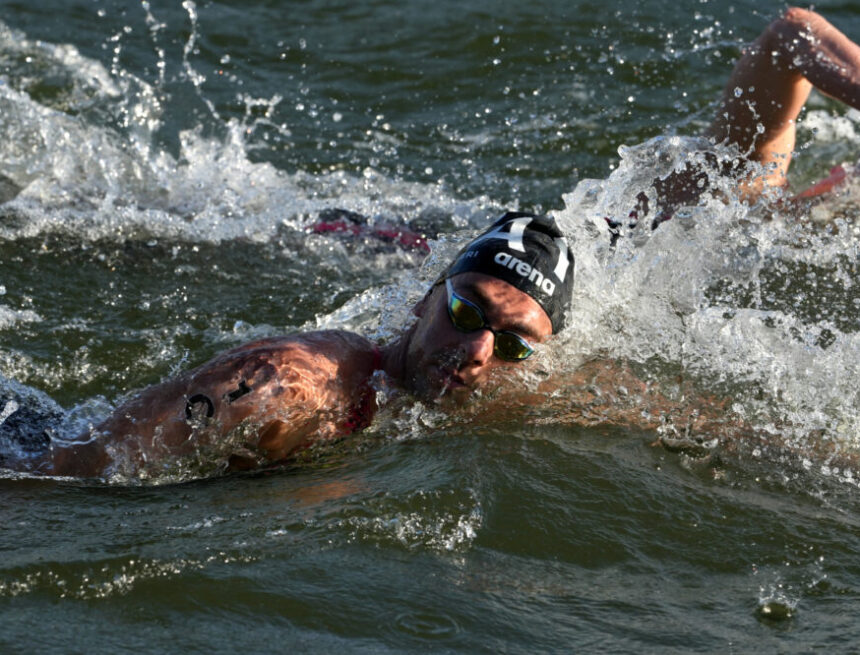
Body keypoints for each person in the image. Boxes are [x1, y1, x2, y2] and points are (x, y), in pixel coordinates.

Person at [2, 7, 859, 479]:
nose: (475, 354)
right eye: (461, 311)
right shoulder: (298, 382)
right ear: (425, 294)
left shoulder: (527, 374)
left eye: (514, 346)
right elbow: (62, 474)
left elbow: (712, 425)